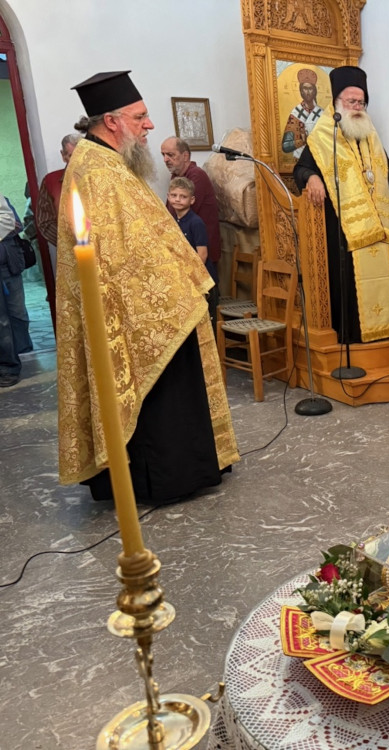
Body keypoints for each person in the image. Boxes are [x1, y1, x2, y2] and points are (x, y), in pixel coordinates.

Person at [56, 71, 238, 503]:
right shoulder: (97, 171)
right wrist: (180, 285)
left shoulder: (108, 163)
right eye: (140, 117)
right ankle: (169, 478)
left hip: (158, 298)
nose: (149, 124)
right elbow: (123, 253)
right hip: (136, 312)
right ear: (112, 121)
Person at [294, 66, 389, 344]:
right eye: (351, 101)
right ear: (337, 103)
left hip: (377, 228)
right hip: (344, 231)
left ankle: (387, 336)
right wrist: (312, 177)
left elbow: (383, 172)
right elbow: (300, 170)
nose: (357, 107)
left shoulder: (369, 134)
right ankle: (355, 339)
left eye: (361, 102)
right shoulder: (322, 135)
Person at [161, 136, 222, 271]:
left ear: (185, 156)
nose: (165, 159)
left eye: (170, 155)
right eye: (163, 155)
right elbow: (170, 211)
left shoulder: (197, 175)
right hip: (187, 249)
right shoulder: (177, 176)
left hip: (202, 250)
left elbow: (180, 213)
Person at [168, 176, 218, 330]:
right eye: (174, 195)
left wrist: (190, 277)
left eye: (183, 197)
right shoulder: (173, 221)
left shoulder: (196, 222)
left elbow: (202, 255)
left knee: (206, 323)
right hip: (186, 278)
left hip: (202, 279)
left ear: (192, 200)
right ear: (168, 196)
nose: (178, 200)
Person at [35, 134, 81, 268]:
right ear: (63, 155)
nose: (78, 161)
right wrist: (70, 243)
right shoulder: (51, 181)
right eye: (72, 156)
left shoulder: (100, 178)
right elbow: (45, 222)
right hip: (71, 258)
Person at [0, 193, 29, 387]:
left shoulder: (3, 200)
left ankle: (17, 354)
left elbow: (16, 225)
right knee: (2, 320)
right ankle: (9, 364)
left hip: (9, 264)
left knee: (16, 313)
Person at [282, 68, 324, 158]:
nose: (308, 92)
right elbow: (285, 146)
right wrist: (303, 140)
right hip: (300, 162)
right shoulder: (296, 114)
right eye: (305, 88)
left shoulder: (322, 114)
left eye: (310, 88)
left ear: (315, 91)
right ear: (301, 91)